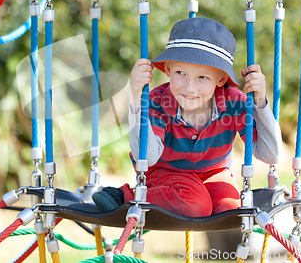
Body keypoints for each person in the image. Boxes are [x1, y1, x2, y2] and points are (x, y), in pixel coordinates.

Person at [92, 17, 282, 217]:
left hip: (215, 174)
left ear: (221, 79)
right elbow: (146, 158)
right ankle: (127, 197)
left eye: (203, 77)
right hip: (166, 173)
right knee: (195, 205)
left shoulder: (234, 102)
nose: (189, 88)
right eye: (181, 72)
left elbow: (270, 155)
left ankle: (195, 198)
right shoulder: (158, 102)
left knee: (231, 211)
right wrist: (137, 100)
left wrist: (260, 102)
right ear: (167, 69)